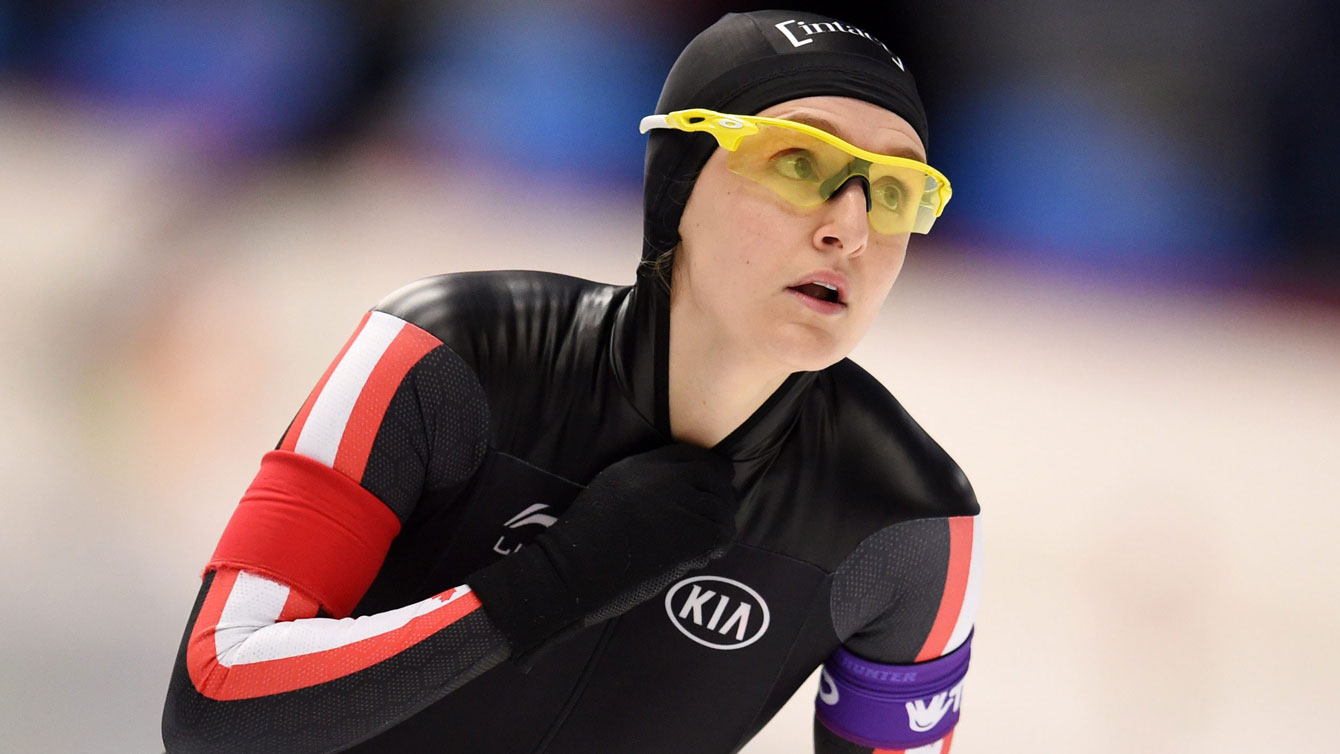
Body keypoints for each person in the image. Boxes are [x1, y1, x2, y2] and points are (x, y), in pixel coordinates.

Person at [161, 9, 981, 754]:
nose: (848, 226)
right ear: (679, 182)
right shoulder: (452, 355)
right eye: (800, 161)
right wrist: (554, 584)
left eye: (894, 191)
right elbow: (214, 705)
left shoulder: (906, 522)